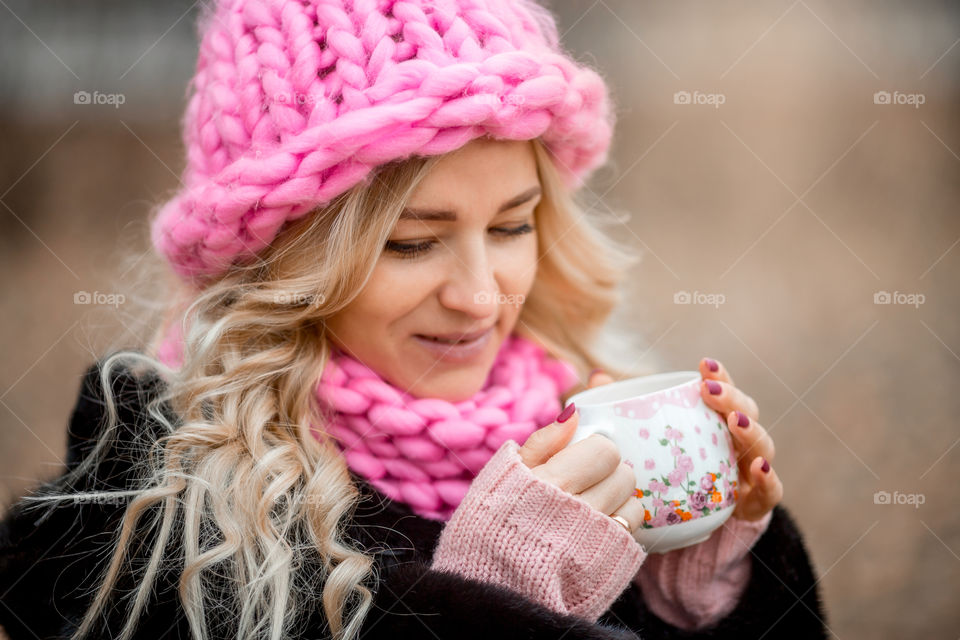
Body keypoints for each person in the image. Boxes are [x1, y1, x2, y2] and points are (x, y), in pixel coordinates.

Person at [0, 1, 828, 638]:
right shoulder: (147, 514)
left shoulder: (581, 427)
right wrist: (486, 602)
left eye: (511, 226)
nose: (479, 296)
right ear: (286, 263)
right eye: (411, 243)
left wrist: (702, 598)